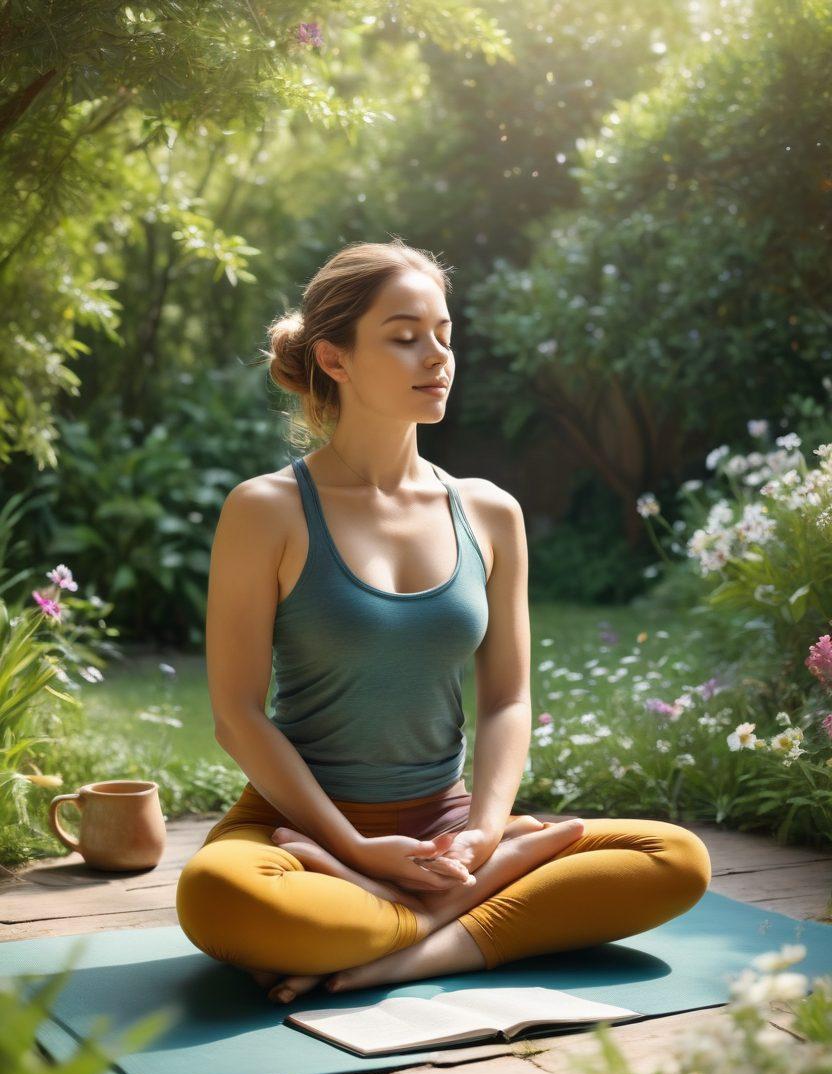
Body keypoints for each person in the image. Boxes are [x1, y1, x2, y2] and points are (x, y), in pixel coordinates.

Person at [175, 238, 711, 1006]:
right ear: (335, 359)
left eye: (444, 334)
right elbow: (235, 714)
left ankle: (417, 947)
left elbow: (507, 701)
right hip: (298, 834)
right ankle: (471, 908)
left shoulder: (490, 512)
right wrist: (353, 846)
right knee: (222, 900)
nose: (437, 357)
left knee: (676, 858)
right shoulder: (267, 511)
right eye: (404, 337)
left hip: (448, 836)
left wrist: (485, 836)